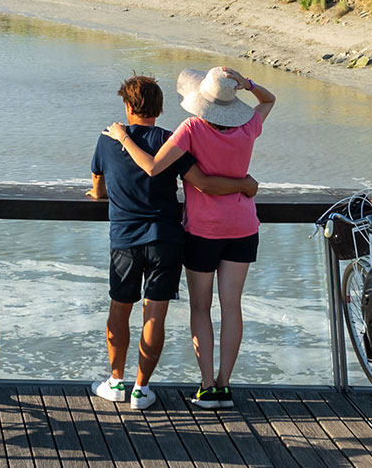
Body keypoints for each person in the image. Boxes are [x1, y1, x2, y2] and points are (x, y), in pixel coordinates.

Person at [105, 66, 273, 410]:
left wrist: (122, 138)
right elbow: (269, 100)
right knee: (232, 308)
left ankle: (207, 385)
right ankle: (225, 386)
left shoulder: (192, 128)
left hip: (203, 231)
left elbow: (152, 167)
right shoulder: (248, 126)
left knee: (201, 308)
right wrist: (247, 84)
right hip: (243, 226)